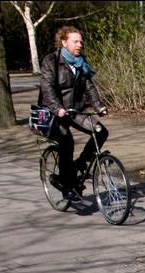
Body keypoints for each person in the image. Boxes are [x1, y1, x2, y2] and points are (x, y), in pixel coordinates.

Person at [38, 26, 108, 200]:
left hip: (76, 110)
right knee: (66, 143)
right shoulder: (51, 61)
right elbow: (47, 88)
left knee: (101, 132)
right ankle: (67, 186)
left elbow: (89, 87)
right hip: (55, 112)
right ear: (64, 42)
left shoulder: (80, 62)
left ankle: (80, 164)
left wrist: (98, 106)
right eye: (75, 41)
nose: (79, 45)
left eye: (80, 41)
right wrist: (57, 108)